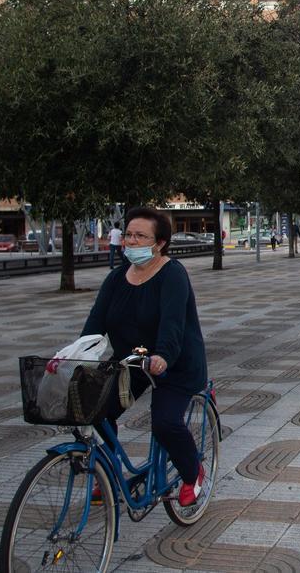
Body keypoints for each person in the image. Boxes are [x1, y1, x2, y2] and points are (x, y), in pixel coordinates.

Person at [82, 206, 209, 506]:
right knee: (96, 410)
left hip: (174, 364)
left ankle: (193, 472)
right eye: (128, 235)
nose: (131, 241)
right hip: (133, 363)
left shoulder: (172, 274)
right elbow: (94, 324)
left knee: (165, 422)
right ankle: (108, 473)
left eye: (141, 236)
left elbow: (172, 325)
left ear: (160, 242)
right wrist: (72, 355)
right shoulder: (115, 279)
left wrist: (163, 355)